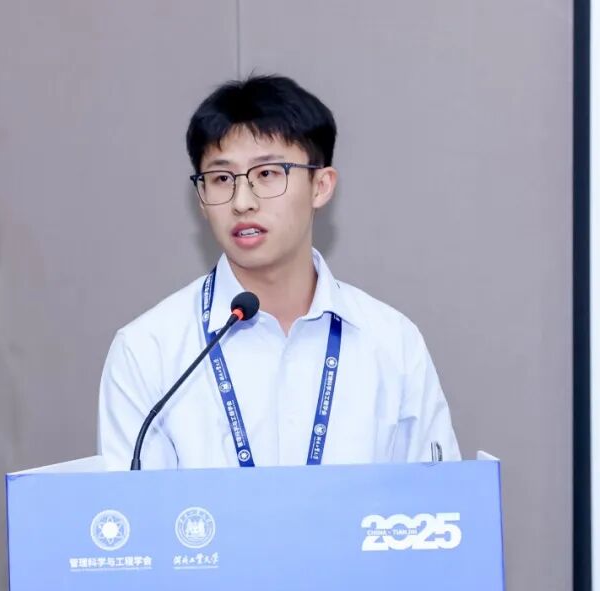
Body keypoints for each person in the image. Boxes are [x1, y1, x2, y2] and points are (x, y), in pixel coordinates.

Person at [98, 74, 460, 470]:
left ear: (320, 185)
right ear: (201, 197)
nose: (242, 201)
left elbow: (438, 498)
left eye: (267, 174)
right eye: (221, 179)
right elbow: (133, 505)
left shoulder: (392, 343)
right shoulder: (148, 351)